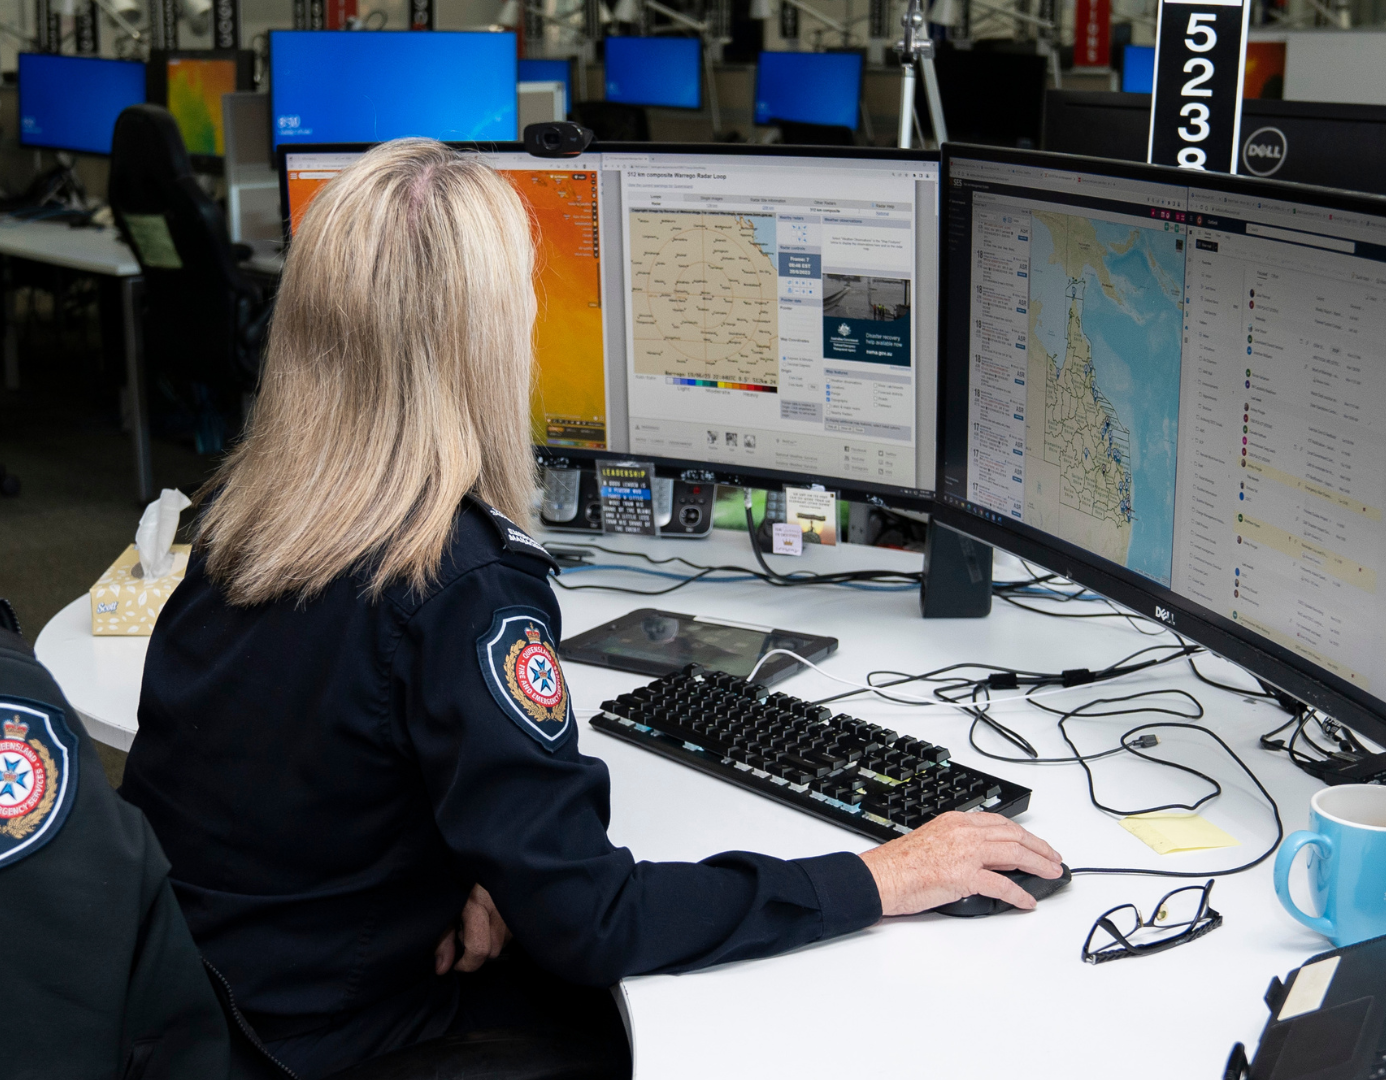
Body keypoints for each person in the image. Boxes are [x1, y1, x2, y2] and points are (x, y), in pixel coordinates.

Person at [120, 139, 1063, 1079]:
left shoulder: (247, 523)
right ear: (494, 336)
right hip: (325, 1042)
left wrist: (470, 868)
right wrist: (879, 876)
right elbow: (594, 922)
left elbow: (314, 774)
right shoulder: (457, 584)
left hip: (202, 1012)